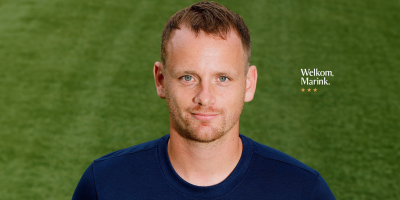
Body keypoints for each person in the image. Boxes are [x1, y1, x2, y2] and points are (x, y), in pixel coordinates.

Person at [72, 1, 336, 199]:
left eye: (222, 78)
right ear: (161, 80)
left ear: (249, 83)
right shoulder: (104, 185)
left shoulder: (303, 191)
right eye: (188, 77)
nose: (205, 98)